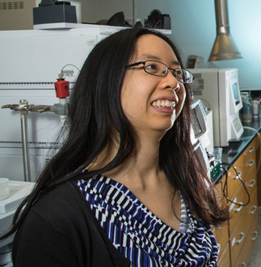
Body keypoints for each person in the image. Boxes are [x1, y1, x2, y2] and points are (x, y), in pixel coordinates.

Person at [1, 28, 228, 266]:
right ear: (106, 82)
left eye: (177, 72)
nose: (173, 82)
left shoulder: (186, 179)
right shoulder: (55, 220)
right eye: (151, 67)